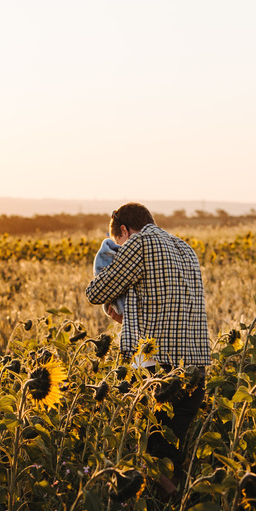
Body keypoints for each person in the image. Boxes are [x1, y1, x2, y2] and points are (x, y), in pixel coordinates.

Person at [86, 203, 210, 486]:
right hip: (196, 370)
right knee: (174, 454)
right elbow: (168, 308)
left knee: (156, 454)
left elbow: (95, 292)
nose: (120, 248)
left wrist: (110, 305)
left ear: (124, 230)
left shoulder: (140, 242)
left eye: (119, 243)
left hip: (159, 369)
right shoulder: (185, 248)